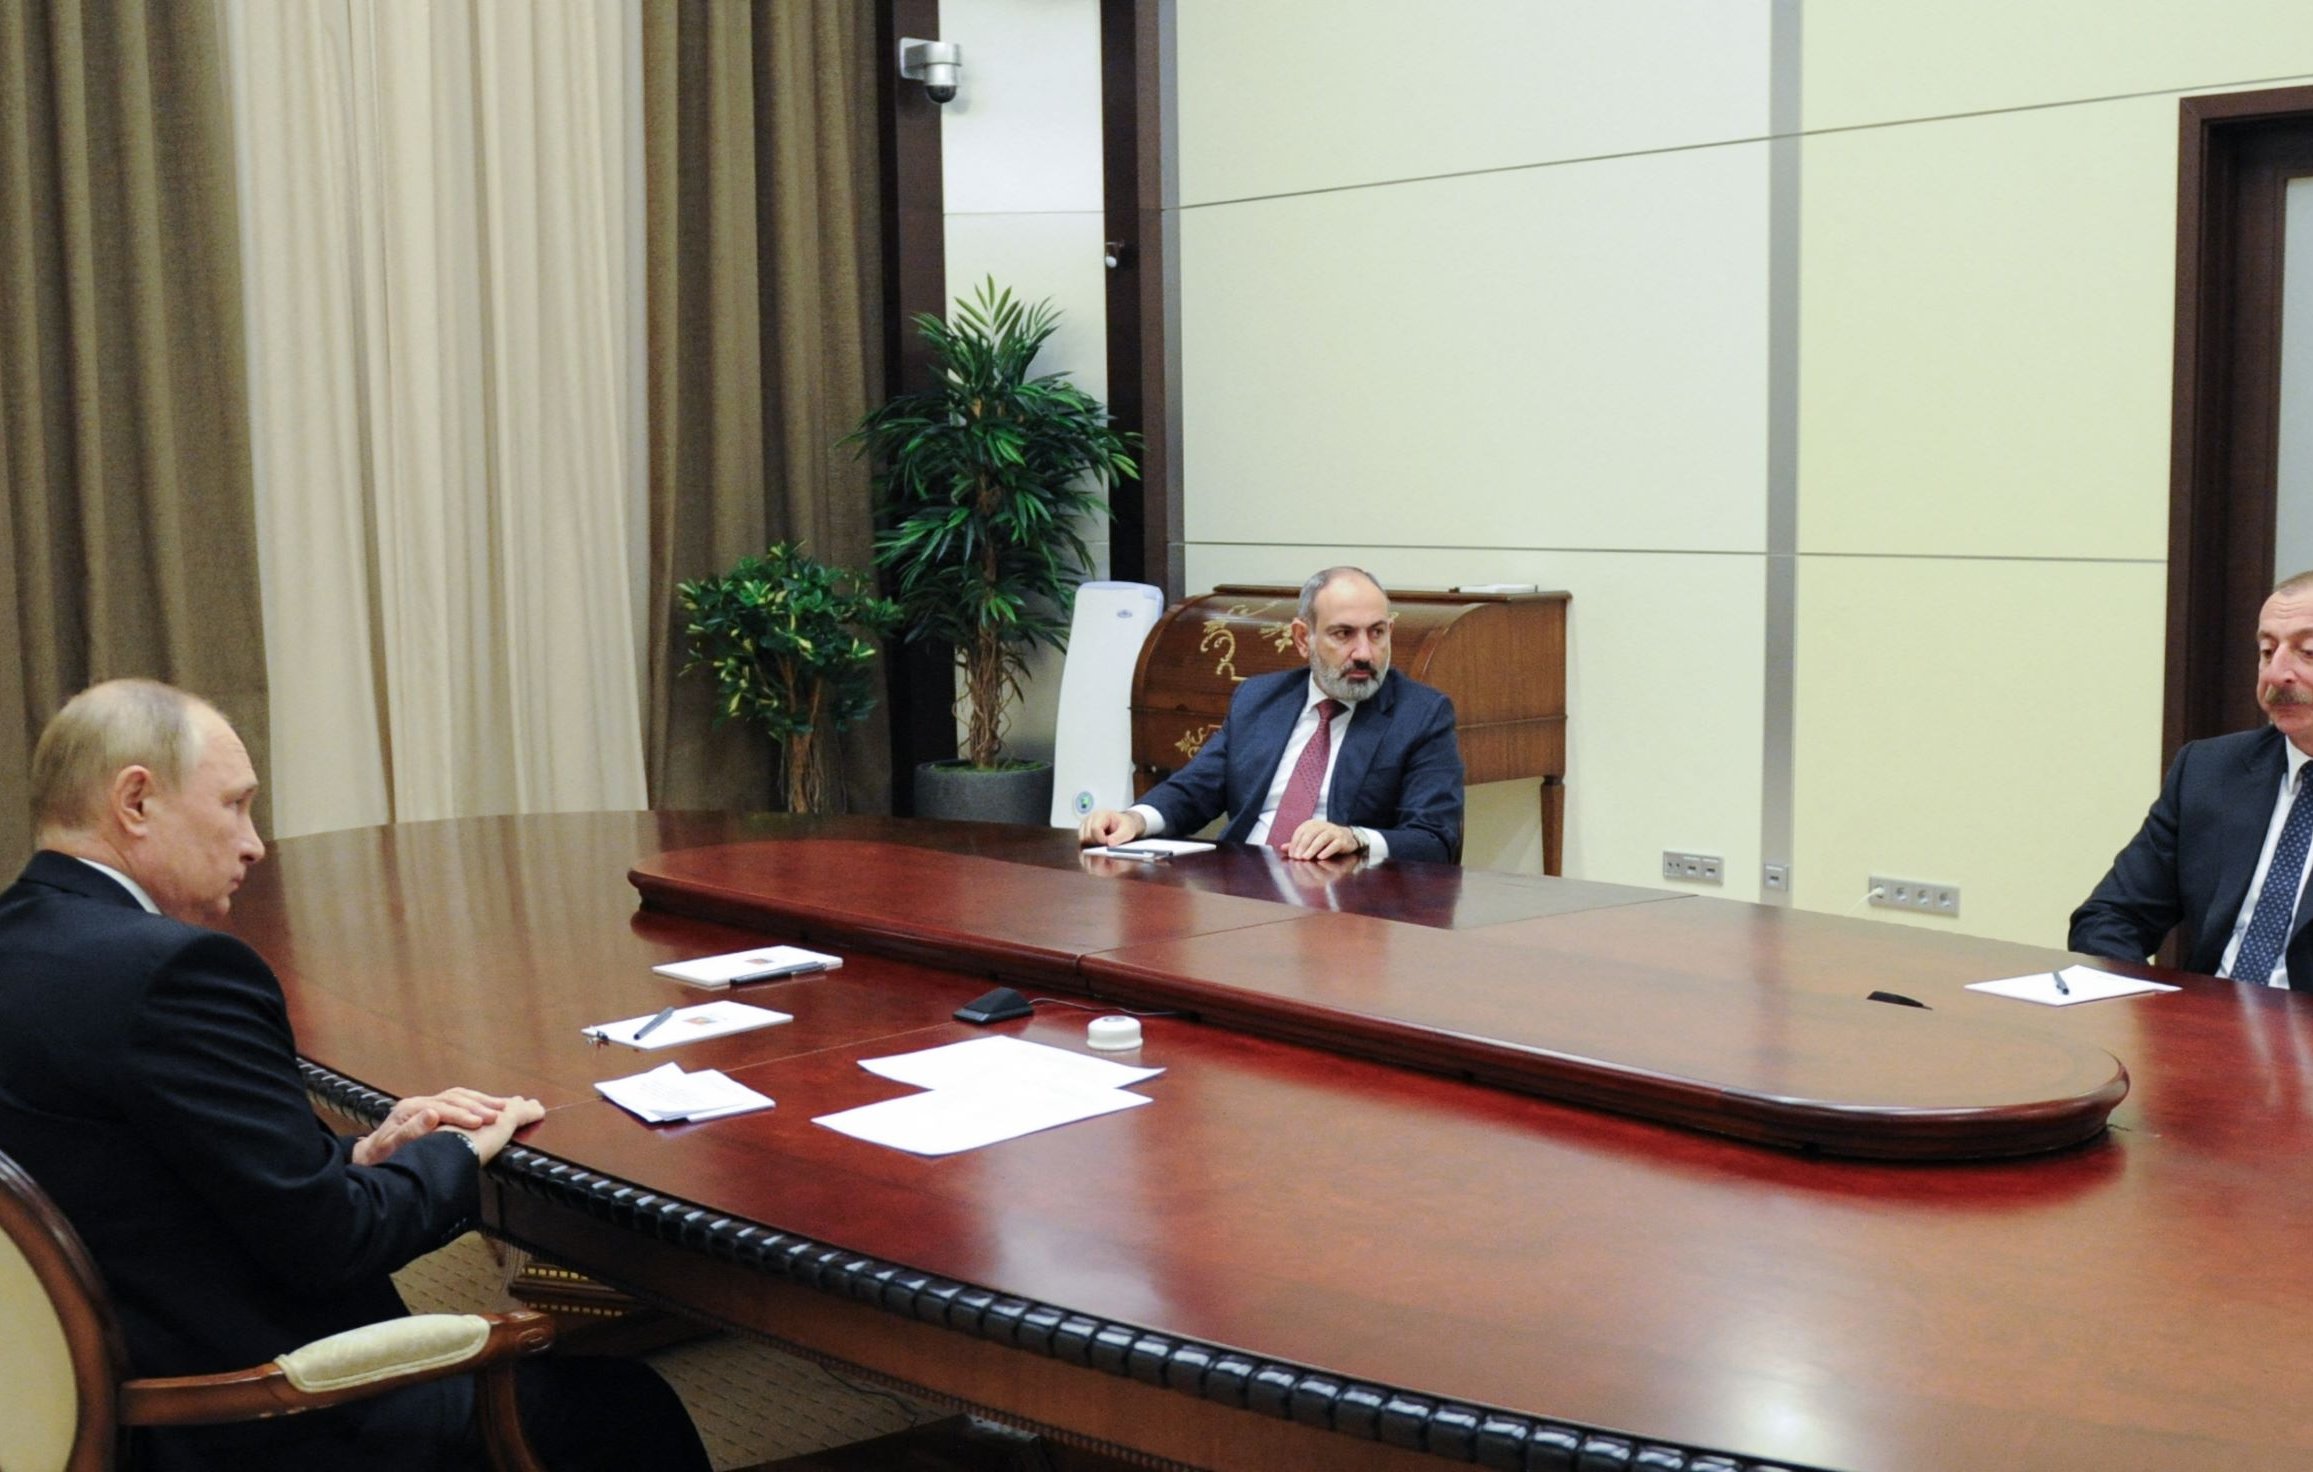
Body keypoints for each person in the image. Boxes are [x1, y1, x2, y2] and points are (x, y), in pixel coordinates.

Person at [0, 680, 710, 1471]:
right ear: (136, 800)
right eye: (235, 805)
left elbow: (156, 1174)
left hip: (84, 1405)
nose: (254, 843)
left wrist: (365, 1152)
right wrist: (456, 1152)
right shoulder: (173, 972)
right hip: (257, 1419)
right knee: (631, 1411)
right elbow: (333, 1241)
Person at [1078, 567, 1465, 863]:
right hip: (1244, 884)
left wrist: (1356, 838)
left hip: (1344, 907)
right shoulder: (1259, 699)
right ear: (1302, 638)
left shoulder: (1421, 715)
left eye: (1377, 633)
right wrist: (1135, 819)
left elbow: (1436, 839)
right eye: (1344, 634)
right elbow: (1195, 789)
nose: (1364, 652)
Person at [2072, 571, 2313, 987]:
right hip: (2204, 1034)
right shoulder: (2210, 770)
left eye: (2308, 652)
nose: (2276, 675)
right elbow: (2110, 917)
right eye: (2266, 650)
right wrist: (2162, 1013)